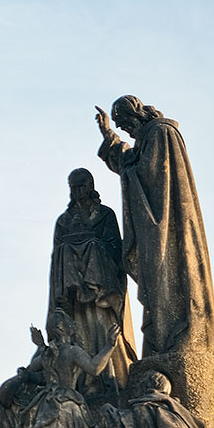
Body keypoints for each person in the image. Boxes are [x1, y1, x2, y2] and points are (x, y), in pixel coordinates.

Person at [94, 96, 214, 359]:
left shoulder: (161, 133)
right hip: (154, 225)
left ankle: (174, 337)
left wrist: (121, 156)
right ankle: (161, 340)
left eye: (125, 123)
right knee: (156, 285)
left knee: (167, 279)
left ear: (136, 115)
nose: (126, 129)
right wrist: (109, 136)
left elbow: (147, 173)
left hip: (165, 227)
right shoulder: (149, 137)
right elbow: (132, 162)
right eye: (120, 125)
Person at [48, 168, 136, 393]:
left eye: (81, 186)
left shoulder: (105, 214)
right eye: (73, 187)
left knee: (95, 246)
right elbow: (56, 254)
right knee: (66, 250)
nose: (77, 191)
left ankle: (109, 377)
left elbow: (117, 249)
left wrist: (91, 246)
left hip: (102, 295)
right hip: (75, 299)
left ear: (90, 186)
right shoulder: (64, 221)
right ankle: (82, 380)